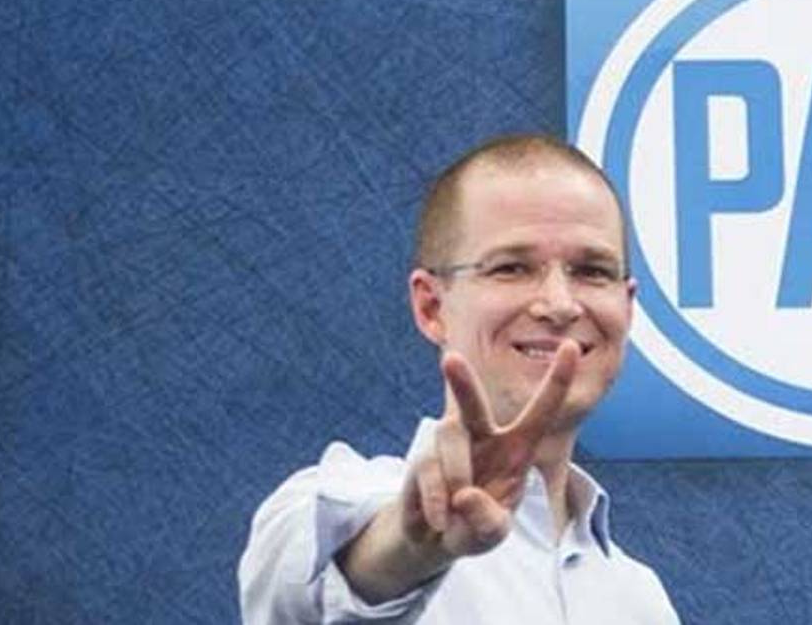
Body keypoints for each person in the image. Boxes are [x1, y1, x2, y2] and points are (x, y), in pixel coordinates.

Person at [238, 134, 680, 624]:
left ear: (628, 307)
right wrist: (412, 548)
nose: (559, 304)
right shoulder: (326, 506)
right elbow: (313, 592)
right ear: (432, 306)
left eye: (592, 271)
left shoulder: (640, 598)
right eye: (511, 268)